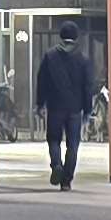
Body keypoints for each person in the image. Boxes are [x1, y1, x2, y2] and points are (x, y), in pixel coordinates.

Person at [33, 25, 97, 189]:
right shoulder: (83, 59)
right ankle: (66, 181)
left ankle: (56, 165)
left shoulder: (50, 56)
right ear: (76, 37)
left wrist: (40, 104)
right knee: (73, 145)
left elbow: (42, 81)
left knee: (54, 140)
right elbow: (88, 87)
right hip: (75, 109)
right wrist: (87, 110)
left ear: (61, 36)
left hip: (55, 107)